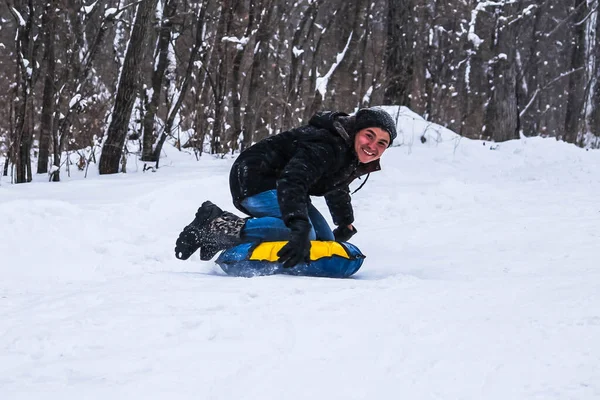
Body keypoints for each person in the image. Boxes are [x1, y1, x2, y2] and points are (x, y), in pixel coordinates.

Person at [174, 107, 397, 268]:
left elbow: (336, 185)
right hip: (254, 177)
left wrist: (345, 222)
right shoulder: (328, 144)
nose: (372, 146)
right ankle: (214, 225)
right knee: (305, 233)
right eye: (369, 135)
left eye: (381, 143)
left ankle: (225, 236)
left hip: (282, 184)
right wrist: (299, 226)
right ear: (357, 130)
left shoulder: (348, 153)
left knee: (325, 240)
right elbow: (293, 180)